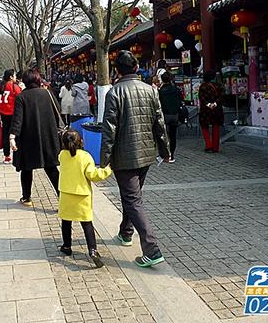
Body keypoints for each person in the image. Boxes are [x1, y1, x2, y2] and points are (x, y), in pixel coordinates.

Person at [100, 50, 170, 268]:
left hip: (124, 156)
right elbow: (159, 123)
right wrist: (166, 151)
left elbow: (109, 129)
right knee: (132, 196)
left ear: (117, 70)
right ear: (137, 68)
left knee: (132, 199)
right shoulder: (151, 90)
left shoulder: (114, 93)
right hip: (146, 154)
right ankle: (126, 232)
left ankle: (151, 249)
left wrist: (103, 159)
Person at [58, 129, 112, 267]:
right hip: (82, 196)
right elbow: (93, 175)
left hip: (66, 194)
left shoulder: (62, 155)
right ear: (81, 141)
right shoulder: (86, 157)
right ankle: (93, 250)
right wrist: (108, 169)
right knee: (87, 224)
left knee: (66, 221)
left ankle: (67, 246)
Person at [9, 69, 60, 207]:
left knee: (26, 169)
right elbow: (58, 112)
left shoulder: (22, 97)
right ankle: (63, 197)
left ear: (24, 81)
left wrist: (12, 136)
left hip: (28, 139)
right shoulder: (47, 94)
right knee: (52, 168)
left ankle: (27, 198)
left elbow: (17, 120)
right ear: (38, 80)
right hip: (48, 137)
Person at [0, 69, 22, 164]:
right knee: (16, 133)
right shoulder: (14, 87)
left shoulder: (0, 87)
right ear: (11, 77)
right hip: (14, 113)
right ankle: (17, 153)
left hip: (3, 114)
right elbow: (20, 98)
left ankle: (7, 156)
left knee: (5, 134)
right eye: (14, 75)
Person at [198, 70, 224, 153]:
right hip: (216, 109)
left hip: (205, 110)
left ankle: (208, 145)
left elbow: (201, 98)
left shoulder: (203, 86)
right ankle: (215, 147)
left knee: (205, 126)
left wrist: (208, 104)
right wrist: (215, 104)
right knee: (216, 127)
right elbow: (221, 97)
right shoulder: (218, 86)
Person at [158, 71, 181, 162]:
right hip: (174, 114)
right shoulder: (176, 89)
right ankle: (172, 154)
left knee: (163, 135)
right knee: (173, 135)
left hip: (164, 115)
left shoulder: (160, 91)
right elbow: (180, 100)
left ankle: (165, 154)